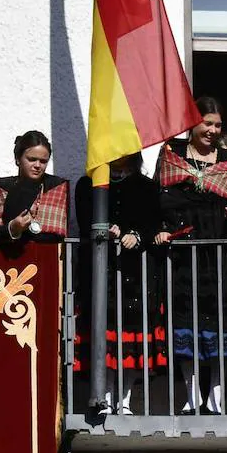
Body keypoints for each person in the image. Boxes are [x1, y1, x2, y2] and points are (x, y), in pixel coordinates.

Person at [155, 97, 227, 414]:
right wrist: (169, 228)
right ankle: (192, 396)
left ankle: (216, 397)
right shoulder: (172, 153)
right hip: (185, 254)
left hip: (219, 253)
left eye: (218, 125)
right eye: (207, 123)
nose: (213, 130)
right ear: (193, 122)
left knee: (220, 321)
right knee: (186, 320)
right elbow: (161, 201)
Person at [79, 153, 164, 416]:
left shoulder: (147, 186)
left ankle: (124, 400)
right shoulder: (88, 184)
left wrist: (135, 236)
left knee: (131, 338)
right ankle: (103, 397)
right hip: (101, 273)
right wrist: (106, 229)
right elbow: (84, 223)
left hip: (135, 274)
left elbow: (153, 225)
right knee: (104, 336)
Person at [0, 131, 69, 244]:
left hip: (46, 257)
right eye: (32, 159)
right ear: (18, 159)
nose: (37, 165)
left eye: (43, 161)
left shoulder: (56, 187)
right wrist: (13, 227)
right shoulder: (0, 188)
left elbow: (57, 234)